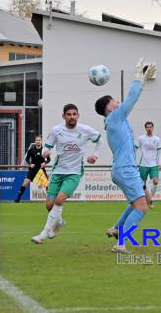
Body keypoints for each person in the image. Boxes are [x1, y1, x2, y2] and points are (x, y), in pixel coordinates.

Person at [97, 59, 156, 254]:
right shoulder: (115, 117)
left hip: (126, 168)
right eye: (114, 100)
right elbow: (132, 97)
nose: (118, 101)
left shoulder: (116, 120)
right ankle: (121, 243)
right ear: (110, 108)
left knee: (142, 201)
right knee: (141, 208)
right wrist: (139, 79)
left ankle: (116, 228)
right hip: (125, 169)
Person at [31, 104, 102, 244]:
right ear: (64, 116)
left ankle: (43, 234)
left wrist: (95, 155)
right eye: (68, 114)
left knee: (59, 200)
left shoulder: (85, 130)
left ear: (78, 115)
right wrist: (45, 151)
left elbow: (100, 140)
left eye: (74, 114)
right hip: (58, 172)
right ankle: (59, 222)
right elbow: (48, 145)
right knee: (49, 205)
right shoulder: (57, 130)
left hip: (74, 173)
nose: (72, 117)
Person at [15, 135, 50, 203]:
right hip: (33, 170)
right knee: (25, 183)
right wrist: (30, 164)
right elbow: (27, 159)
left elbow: (48, 159)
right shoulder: (31, 150)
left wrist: (45, 163)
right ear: (35, 141)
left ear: (41, 141)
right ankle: (17, 199)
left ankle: (49, 200)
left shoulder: (44, 150)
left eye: (39, 140)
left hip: (41, 170)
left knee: (47, 184)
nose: (38, 142)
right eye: (37, 140)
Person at [136, 121, 161, 209]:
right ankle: (145, 201)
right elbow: (135, 149)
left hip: (154, 165)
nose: (149, 129)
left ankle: (150, 200)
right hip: (143, 164)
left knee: (155, 181)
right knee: (142, 184)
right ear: (145, 128)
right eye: (147, 127)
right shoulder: (141, 138)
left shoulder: (157, 139)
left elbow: (159, 152)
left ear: (153, 128)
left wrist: (160, 163)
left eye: (151, 127)